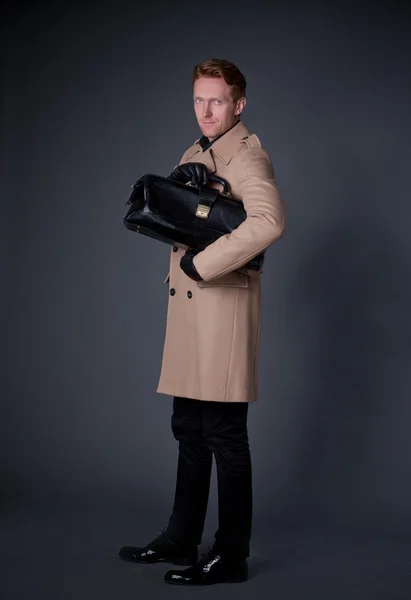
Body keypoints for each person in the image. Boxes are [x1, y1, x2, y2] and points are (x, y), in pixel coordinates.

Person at [119, 58, 286, 586]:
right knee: (189, 429)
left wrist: (201, 264)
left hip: (223, 312)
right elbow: (191, 213)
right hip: (195, 315)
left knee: (225, 435)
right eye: (198, 99)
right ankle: (180, 537)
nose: (206, 110)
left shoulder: (248, 156)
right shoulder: (197, 152)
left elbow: (269, 221)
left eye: (217, 100)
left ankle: (231, 554)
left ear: (239, 104)